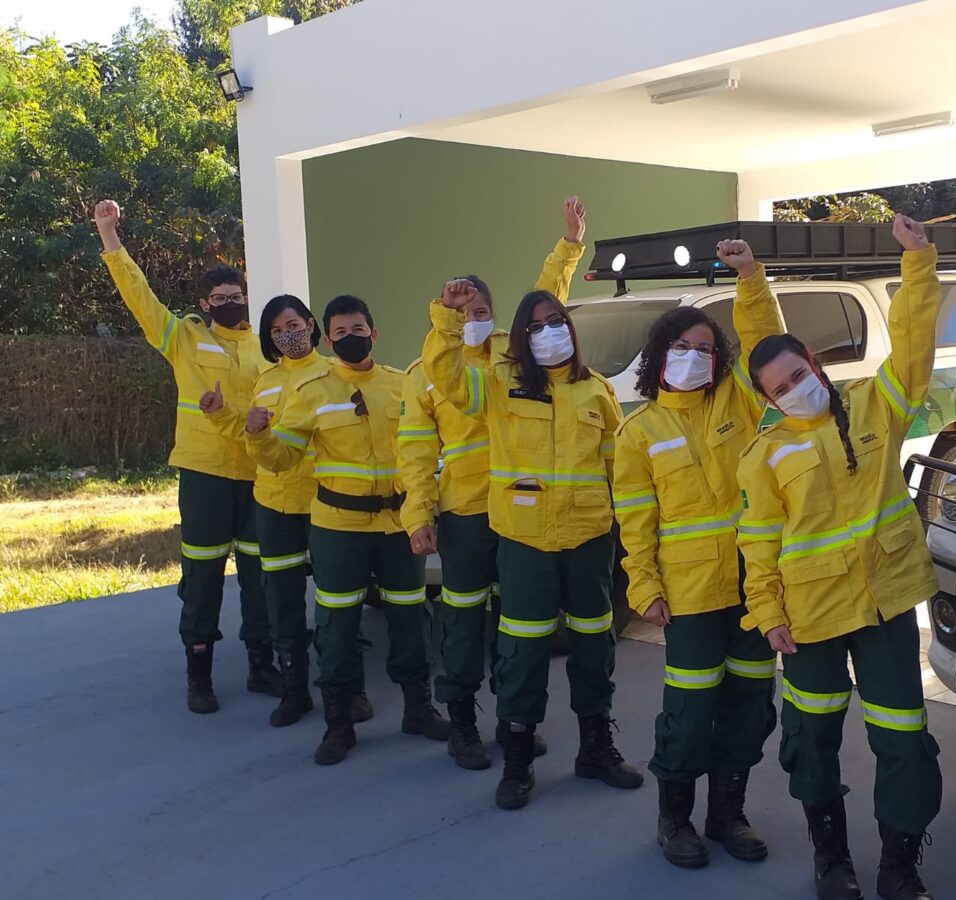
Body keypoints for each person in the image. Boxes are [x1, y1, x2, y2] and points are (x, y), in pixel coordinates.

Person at [737, 215, 942, 900]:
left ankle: (899, 866)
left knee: (904, 741)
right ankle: (833, 860)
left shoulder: (874, 406)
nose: (793, 388)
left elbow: (912, 348)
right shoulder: (766, 454)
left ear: (817, 366)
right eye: (778, 387)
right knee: (810, 743)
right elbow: (758, 542)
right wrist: (766, 614)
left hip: (884, 608)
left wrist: (917, 262)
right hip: (810, 619)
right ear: (767, 400)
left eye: (799, 374)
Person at [424, 246, 643, 811]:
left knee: (596, 645)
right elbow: (446, 378)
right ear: (520, 336)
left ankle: (596, 747)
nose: (549, 331)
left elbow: (620, 470)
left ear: (570, 329)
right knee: (522, 654)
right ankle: (518, 762)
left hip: (590, 539)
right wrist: (449, 319)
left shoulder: (598, 390)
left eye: (557, 323)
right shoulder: (496, 383)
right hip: (524, 543)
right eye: (537, 325)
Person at [400, 197, 587, 771]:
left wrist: (570, 245)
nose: (474, 317)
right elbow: (415, 451)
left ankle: (514, 721)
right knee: (462, 618)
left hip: (523, 512)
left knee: (518, 625)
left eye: (482, 308)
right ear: (449, 316)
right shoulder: (428, 374)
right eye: (464, 310)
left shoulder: (513, 361)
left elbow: (545, 298)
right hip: (465, 514)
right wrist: (419, 515)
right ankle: (460, 722)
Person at [613, 238, 783, 869]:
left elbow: (765, 340)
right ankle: (675, 819)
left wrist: (749, 279)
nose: (692, 357)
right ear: (659, 356)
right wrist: (643, 586)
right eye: (680, 348)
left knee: (748, 706)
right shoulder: (639, 432)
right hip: (687, 596)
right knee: (689, 709)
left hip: (754, 587)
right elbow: (635, 519)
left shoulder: (739, 400)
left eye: (704, 350)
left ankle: (727, 814)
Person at [94, 199, 281, 714]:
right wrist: (111, 237)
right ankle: (199, 674)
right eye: (219, 297)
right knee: (201, 576)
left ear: (247, 299)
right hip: (205, 475)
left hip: (259, 474)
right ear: (205, 301)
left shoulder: (267, 349)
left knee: (259, 575)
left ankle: (261, 665)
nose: (229, 303)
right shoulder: (184, 336)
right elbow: (142, 300)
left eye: (236, 296)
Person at [246, 294, 447, 765]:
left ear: (374, 334)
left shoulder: (402, 386)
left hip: (398, 526)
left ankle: (419, 708)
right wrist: (258, 435)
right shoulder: (311, 390)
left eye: (358, 329)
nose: (350, 338)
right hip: (337, 526)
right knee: (337, 624)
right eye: (340, 333)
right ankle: (339, 723)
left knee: (410, 616)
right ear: (328, 338)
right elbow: (282, 459)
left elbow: (426, 451)